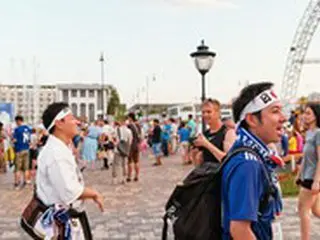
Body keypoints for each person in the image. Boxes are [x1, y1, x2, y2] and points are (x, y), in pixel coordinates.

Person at [221, 82, 285, 240]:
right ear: (252, 120)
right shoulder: (248, 164)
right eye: (275, 111)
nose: (283, 118)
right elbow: (240, 230)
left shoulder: (251, 155)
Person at [36, 102, 104, 239]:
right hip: (63, 223)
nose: (77, 122)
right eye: (72, 118)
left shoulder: (60, 147)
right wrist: (94, 194)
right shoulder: (56, 154)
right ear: (59, 123)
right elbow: (70, 191)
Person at [296, 104, 320, 240]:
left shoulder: (318, 133)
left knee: (303, 209)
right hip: (306, 175)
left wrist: (317, 181)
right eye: (304, 113)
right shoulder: (309, 133)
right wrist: (299, 174)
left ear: (316, 116)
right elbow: (306, 157)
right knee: (316, 210)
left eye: (309, 113)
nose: (305, 116)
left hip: (313, 178)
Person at [193, 99, 236, 165]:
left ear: (218, 113)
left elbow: (229, 161)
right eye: (203, 112)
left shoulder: (228, 132)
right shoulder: (205, 134)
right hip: (207, 173)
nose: (205, 115)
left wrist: (206, 144)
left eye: (209, 112)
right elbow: (199, 163)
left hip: (222, 174)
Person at [12, 115, 32, 189]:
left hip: (19, 150)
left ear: (18, 121)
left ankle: (17, 183)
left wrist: (13, 140)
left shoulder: (17, 129)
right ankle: (26, 182)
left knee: (17, 168)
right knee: (26, 168)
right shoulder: (27, 128)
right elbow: (29, 139)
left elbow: (14, 140)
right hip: (26, 149)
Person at [126, 113, 142, 182]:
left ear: (130, 118)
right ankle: (136, 176)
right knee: (136, 161)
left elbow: (128, 136)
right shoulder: (138, 125)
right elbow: (141, 135)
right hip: (137, 144)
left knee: (129, 161)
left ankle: (129, 176)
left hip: (131, 145)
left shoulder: (129, 126)